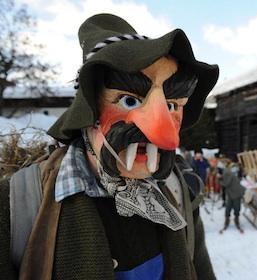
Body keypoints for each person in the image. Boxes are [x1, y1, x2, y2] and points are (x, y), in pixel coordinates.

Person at [0, 13, 219, 279]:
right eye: (129, 100)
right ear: (88, 115)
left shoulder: (180, 189)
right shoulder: (14, 208)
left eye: (172, 105)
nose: (162, 135)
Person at [219, 162, 245, 233]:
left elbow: (226, 183)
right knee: (228, 207)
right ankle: (227, 219)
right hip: (231, 193)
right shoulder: (227, 172)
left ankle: (236, 219)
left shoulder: (227, 173)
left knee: (236, 207)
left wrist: (220, 180)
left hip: (236, 192)